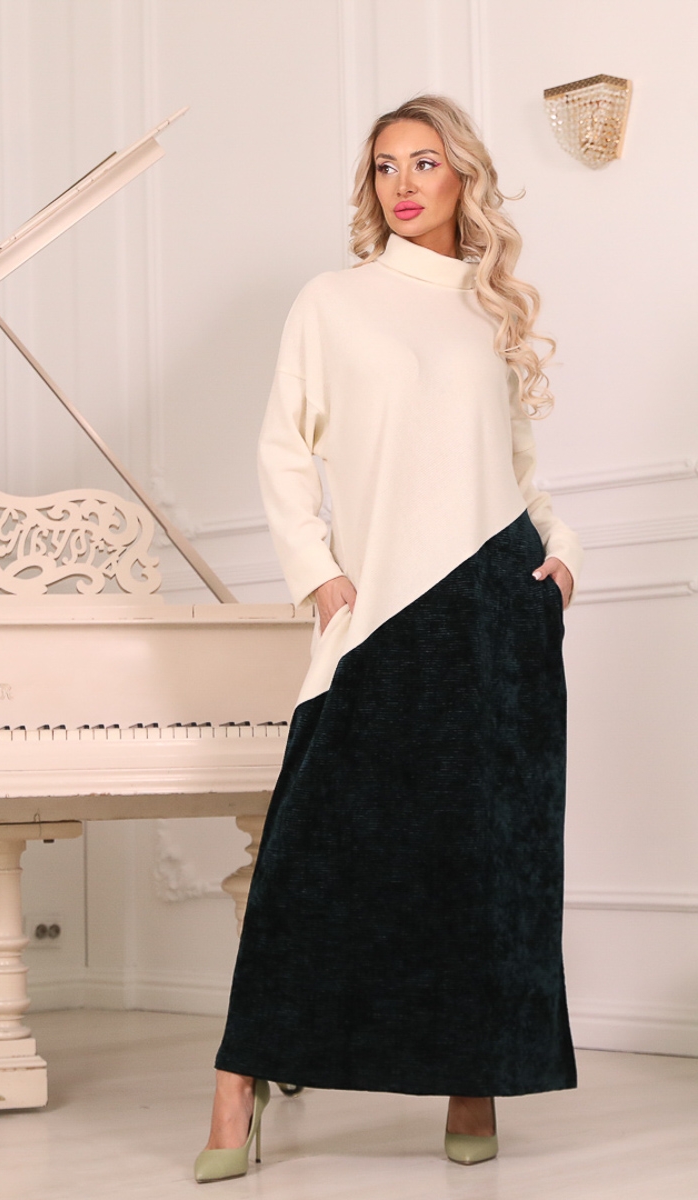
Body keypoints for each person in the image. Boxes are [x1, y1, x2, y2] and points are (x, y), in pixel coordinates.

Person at [194, 94, 583, 1184]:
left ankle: (474, 1079)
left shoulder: (491, 310)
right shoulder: (334, 301)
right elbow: (282, 448)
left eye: (424, 162)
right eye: (383, 166)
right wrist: (317, 574)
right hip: (379, 613)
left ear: (464, 176)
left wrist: (562, 559)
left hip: (497, 607)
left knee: (485, 860)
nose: (403, 184)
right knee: (307, 856)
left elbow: (520, 468)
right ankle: (236, 1084)